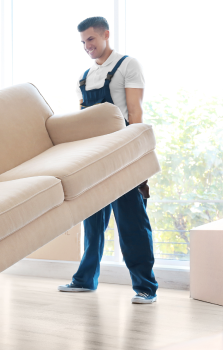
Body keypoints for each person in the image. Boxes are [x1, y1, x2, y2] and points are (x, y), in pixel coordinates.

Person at [57, 17, 159, 304]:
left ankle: (146, 287)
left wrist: (139, 158)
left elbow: (135, 113)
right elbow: (83, 123)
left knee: (131, 222)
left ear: (105, 35)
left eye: (91, 40)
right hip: (94, 156)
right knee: (92, 221)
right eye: (83, 42)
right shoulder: (85, 77)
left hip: (123, 154)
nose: (87, 47)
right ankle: (85, 280)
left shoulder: (128, 65)